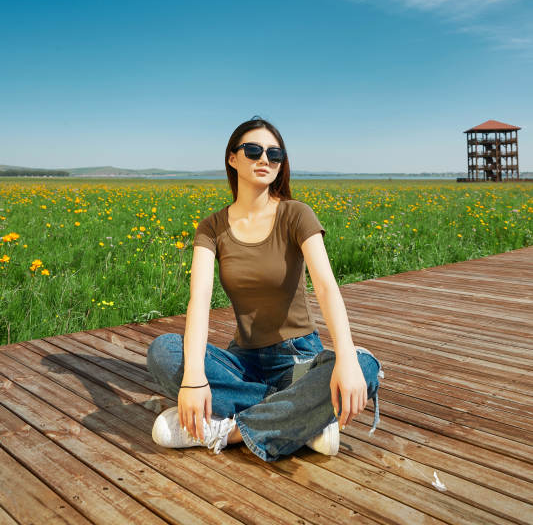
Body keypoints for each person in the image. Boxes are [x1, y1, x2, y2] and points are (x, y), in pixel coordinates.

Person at [146, 116, 384, 462]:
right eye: (254, 150)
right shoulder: (212, 227)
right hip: (242, 362)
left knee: (364, 366)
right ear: (232, 158)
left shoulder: (296, 214)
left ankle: (229, 432)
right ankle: (299, 421)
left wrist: (345, 359)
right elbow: (199, 301)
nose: (265, 159)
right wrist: (194, 377)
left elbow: (326, 287)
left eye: (274, 154)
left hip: (297, 359)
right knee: (163, 351)